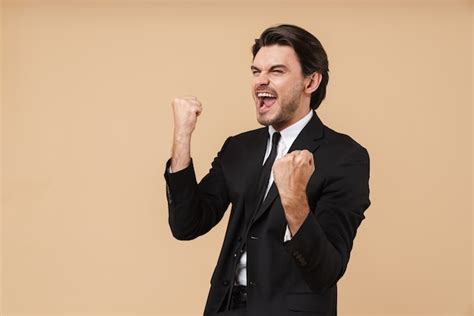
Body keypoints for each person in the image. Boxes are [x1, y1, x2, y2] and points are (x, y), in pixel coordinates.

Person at [164, 24, 371, 316]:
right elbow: (187, 225)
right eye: (256, 71)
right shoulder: (239, 148)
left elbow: (325, 271)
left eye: (276, 71)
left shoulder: (346, 157)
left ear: (310, 82)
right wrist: (182, 136)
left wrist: (294, 198)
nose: (261, 81)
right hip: (224, 308)